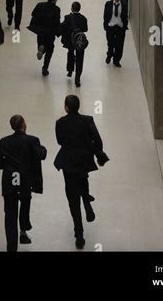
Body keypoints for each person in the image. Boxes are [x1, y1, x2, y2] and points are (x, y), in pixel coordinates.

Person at [54, 95, 109, 249]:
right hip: (84, 160)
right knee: (83, 180)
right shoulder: (87, 120)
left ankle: (79, 235)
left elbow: (60, 141)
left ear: (66, 108)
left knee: (72, 200)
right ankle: (87, 202)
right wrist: (99, 156)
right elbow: (97, 140)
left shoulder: (60, 123)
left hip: (69, 163)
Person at [0, 115, 47, 252]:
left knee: (10, 215)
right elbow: (42, 155)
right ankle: (23, 231)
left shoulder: (4, 141)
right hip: (25, 181)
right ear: (24, 125)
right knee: (25, 203)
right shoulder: (32, 141)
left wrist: (8, 166)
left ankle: (11, 247)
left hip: (10, 181)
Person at [29, 0, 61, 77]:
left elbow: (33, 14)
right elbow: (57, 22)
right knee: (50, 49)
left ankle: (42, 49)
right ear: (54, 0)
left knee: (41, 43)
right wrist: (59, 32)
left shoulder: (40, 5)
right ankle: (45, 68)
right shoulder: (56, 9)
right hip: (50, 32)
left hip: (40, 30)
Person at [61, 2, 89, 87]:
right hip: (79, 41)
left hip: (70, 40)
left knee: (70, 54)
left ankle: (70, 70)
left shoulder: (68, 17)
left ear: (72, 8)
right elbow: (85, 29)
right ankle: (77, 79)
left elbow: (63, 27)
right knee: (80, 59)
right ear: (79, 8)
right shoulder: (83, 18)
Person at [103, 0, 129, 67]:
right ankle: (109, 54)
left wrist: (124, 26)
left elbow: (125, 16)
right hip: (111, 26)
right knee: (110, 44)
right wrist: (106, 25)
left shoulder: (124, 5)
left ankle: (116, 60)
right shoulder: (108, 4)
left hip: (120, 27)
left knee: (119, 45)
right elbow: (105, 15)